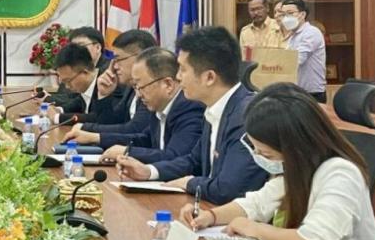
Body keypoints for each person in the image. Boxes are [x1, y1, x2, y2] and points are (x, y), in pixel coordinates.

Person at [182, 83, 375, 240]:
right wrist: (210, 216)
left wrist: (252, 228)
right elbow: (256, 204)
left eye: (266, 154)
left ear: (294, 146)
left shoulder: (341, 174)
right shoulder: (298, 169)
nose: (259, 158)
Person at [118, 26, 268, 203]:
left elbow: (228, 188)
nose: (178, 77)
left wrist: (189, 183)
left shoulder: (246, 116)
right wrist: (149, 171)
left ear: (209, 77)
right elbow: (192, 161)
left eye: (182, 69)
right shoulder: (214, 109)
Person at [69, 47, 205, 163]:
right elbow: (144, 139)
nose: (138, 95)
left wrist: (127, 152)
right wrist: (96, 138)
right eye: (136, 87)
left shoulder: (190, 108)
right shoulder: (159, 106)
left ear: (168, 84)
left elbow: (176, 156)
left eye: (141, 87)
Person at [66, 29, 157, 125]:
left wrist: (84, 129)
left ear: (140, 57)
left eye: (118, 59)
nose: (115, 66)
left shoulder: (152, 87)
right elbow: (111, 122)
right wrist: (104, 96)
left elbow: (134, 129)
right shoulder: (130, 88)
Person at [43, 26, 110, 113]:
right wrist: (49, 99)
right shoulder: (71, 69)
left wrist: (50, 99)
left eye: (81, 45)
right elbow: (74, 98)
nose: (76, 50)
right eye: (73, 46)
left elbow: (78, 98)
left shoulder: (108, 72)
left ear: (98, 47)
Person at [279, 0, 327, 102]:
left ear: (302, 14)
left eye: (290, 13)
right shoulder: (293, 35)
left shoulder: (311, 33)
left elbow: (297, 60)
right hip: (297, 92)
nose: (286, 18)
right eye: (283, 14)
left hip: (312, 94)